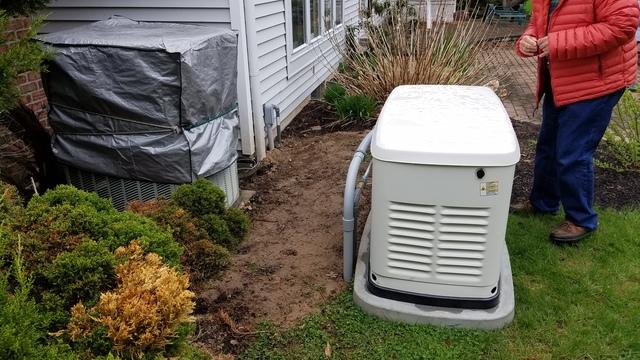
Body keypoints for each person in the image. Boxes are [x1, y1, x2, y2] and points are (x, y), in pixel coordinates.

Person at [515, 0, 640, 244]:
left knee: (572, 153)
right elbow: (538, 21)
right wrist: (528, 39)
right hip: (561, 79)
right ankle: (543, 203)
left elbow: (623, 26)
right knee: (548, 147)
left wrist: (558, 43)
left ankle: (581, 219)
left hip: (596, 83)